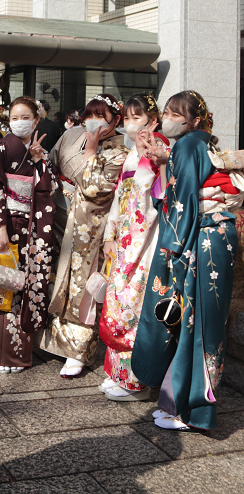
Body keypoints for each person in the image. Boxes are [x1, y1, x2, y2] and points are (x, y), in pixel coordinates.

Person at [132, 91, 243, 431]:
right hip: (215, 236)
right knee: (198, 325)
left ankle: (192, 410)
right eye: (166, 111)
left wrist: (172, 245)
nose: (168, 117)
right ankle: (179, 402)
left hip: (202, 239)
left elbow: (182, 202)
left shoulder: (188, 145)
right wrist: (165, 159)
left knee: (197, 326)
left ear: (194, 120)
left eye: (175, 113)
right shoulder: (200, 142)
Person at [39, 94, 128, 378]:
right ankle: (50, 342)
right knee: (54, 278)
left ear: (117, 119)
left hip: (89, 225)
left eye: (103, 116)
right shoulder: (71, 134)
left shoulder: (120, 150)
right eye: (91, 114)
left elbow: (96, 188)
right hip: (56, 214)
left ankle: (77, 351)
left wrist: (90, 151)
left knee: (80, 286)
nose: (95, 122)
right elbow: (51, 163)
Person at [0, 97, 56, 373]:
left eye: (25, 117)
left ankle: (16, 356)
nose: (19, 122)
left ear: (36, 120)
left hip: (30, 226)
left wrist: (41, 162)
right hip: (4, 223)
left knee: (21, 287)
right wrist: (0, 226)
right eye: (14, 118)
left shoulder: (40, 151)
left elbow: (46, 191)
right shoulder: (2, 147)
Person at [99, 94, 170, 401]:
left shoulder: (159, 151)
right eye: (126, 118)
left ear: (153, 120)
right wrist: (110, 233)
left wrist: (150, 156)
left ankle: (137, 381)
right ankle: (119, 373)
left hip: (147, 240)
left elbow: (156, 200)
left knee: (133, 307)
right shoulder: (130, 155)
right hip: (126, 239)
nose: (131, 124)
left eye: (137, 117)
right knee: (118, 305)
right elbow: (120, 199)